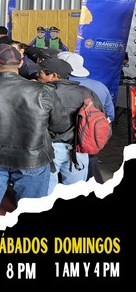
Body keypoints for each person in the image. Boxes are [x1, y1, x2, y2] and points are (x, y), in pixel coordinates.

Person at [0, 44, 63, 215]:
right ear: (21, 63)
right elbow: (58, 124)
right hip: (33, 158)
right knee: (32, 210)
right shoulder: (43, 91)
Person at [37, 57, 104, 195]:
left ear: (54, 75)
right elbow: (101, 121)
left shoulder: (42, 93)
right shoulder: (87, 92)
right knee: (75, 193)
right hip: (79, 150)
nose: (38, 75)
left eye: (41, 72)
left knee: (46, 194)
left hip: (49, 149)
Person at [56, 51, 115, 184]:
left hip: (61, 142)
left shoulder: (55, 88)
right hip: (91, 141)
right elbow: (110, 115)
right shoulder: (100, 86)